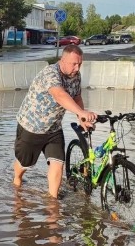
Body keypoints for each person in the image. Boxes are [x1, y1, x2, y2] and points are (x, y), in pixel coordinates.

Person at [13, 44, 97, 198]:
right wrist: (81, 112)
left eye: (80, 64)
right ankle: (17, 180)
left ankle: (53, 203)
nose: (77, 68)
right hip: (32, 127)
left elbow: (76, 97)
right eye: (74, 64)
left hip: (54, 129)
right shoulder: (50, 73)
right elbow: (59, 95)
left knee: (58, 163)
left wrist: (82, 118)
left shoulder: (75, 76)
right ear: (62, 60)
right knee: (25, 163)